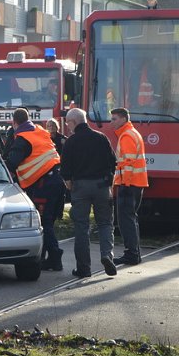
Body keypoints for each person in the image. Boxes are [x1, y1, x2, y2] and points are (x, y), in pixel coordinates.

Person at [5, 107, 66, 272]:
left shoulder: (23, 139)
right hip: (56, 181)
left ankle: (54, 257)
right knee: (48, 222)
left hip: (43, 184)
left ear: (14, 122)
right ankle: (48, 257)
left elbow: (10, 164)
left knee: (43, 222)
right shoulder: (39, 131)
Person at [60, 107, 118, 278]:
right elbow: (113, 162)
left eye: (68, 122)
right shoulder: (101, 138)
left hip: (80, 187)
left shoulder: (71, 141)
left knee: (81, 227)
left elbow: (65, 169)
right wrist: (109, 182)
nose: (67, 126)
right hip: (101, 186)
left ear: (74, 122)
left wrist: (70, 183)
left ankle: (84, 269)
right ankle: (107, 254)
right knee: (105, 223)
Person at [110, 107, 149, 266]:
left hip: (129, 184)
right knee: (131, 219)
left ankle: (131, 255)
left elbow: (128, 162)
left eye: (114, 119)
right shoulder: (132, 133)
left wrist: (124, 184)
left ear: (124, 119)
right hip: (135, 183)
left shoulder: (126, 136)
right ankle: (134, 254)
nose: (111, 122)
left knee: (126, 220)